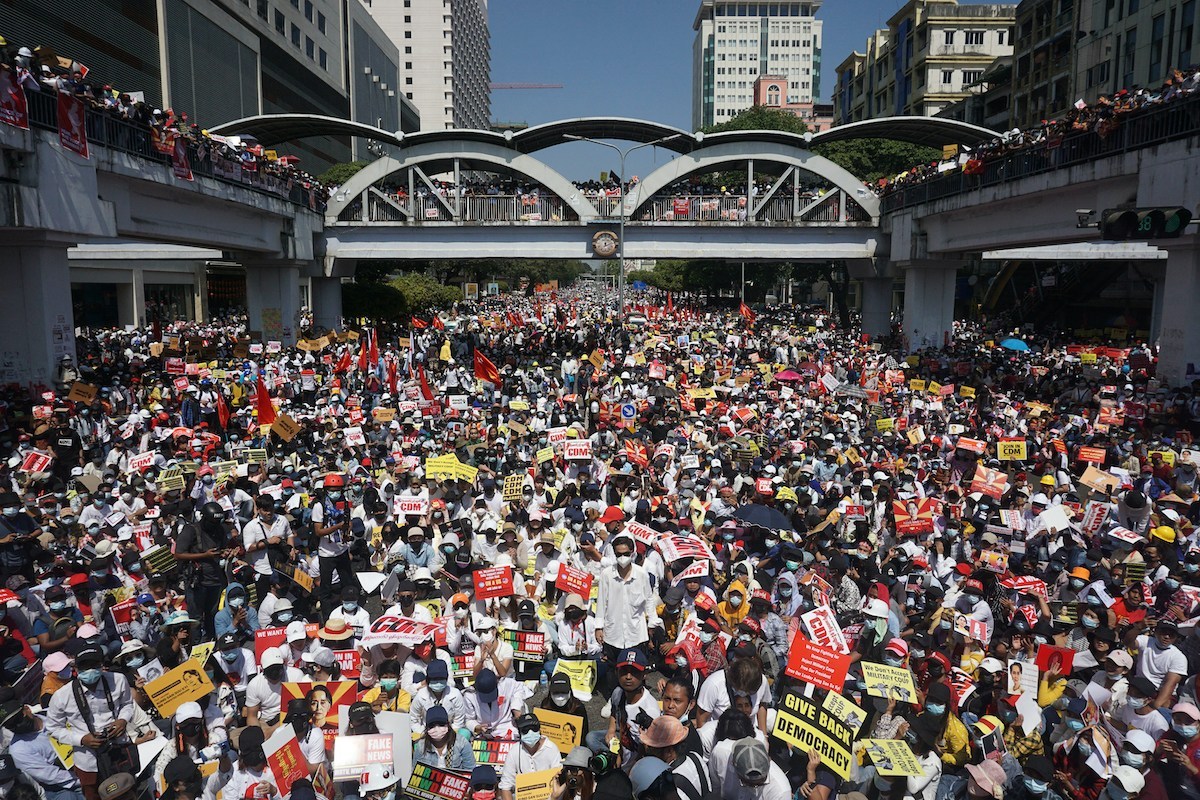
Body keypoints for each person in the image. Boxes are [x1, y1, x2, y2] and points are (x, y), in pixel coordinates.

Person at [45, 645, 136, 800]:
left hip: (119, 750)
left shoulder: (118, 680)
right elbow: (53, 728)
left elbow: (127, 704)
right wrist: (81, 739)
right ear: (76, 669)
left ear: (102, 665)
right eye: (84, 666)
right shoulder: (61, 696)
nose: (90, 670)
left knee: (129, 790)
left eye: (94, 665)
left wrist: (122, 720)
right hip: (87, 760)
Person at [499, 714, 562, 800]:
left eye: (534, 728)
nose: (530, 732)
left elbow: (558, 780)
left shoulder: (551, 749)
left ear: (539, 730)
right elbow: (506, 786)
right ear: (519, 732)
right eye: (525, 730)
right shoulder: (514, 751)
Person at [412, 705, 476, 771]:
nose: (437, 729)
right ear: (427, 728)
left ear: (448, 725)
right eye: (432, 726)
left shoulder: (462, 743)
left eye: (441, 724)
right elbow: (415, 772)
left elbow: (470, 771)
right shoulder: (421, 746)